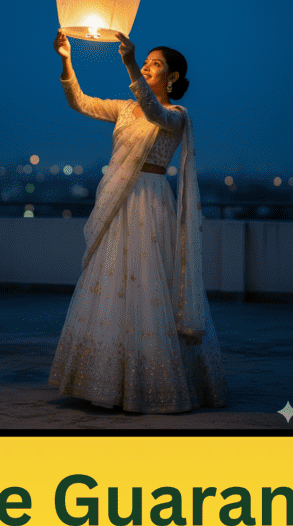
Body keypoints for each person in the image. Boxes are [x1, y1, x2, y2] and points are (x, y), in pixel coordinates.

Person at [49, 29, 224, 413]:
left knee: (149, 282)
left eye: (154, 64)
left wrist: (127, 63)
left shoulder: (176, 116)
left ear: (172, 78)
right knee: (111, 279)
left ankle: (153, 383)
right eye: (144, 61)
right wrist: (66, 58)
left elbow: (154, 111)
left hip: (150, 200)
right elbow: (80, 102)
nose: (146, 67)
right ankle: (104, 379)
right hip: (119, 199)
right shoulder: (124, 108)